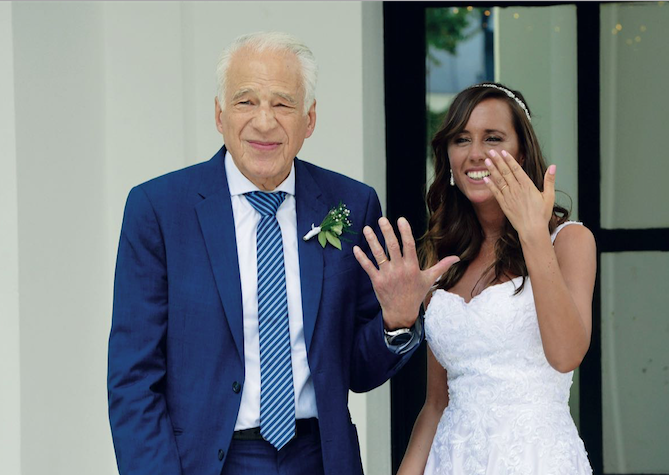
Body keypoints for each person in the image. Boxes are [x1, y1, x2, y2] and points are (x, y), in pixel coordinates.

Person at [107, 31, 456, 475]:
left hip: (319, 458)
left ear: (309, 120)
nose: (264, 122)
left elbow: (357, 370)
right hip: (207, 462)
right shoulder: (159, 209)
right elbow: (133, 378)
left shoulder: (351, 204)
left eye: (283, 104)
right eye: (246, 101)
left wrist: (397, 321)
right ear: (219, 114)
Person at [387, 83, 596, 474]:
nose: (475, 153)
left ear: (522, 152)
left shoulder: (569, 242)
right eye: (461, 139)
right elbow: (436, 404)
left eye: (493, 138)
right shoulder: (441, 256)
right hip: (452, 462)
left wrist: (533, 234)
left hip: (536, 460)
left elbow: (566, 355)